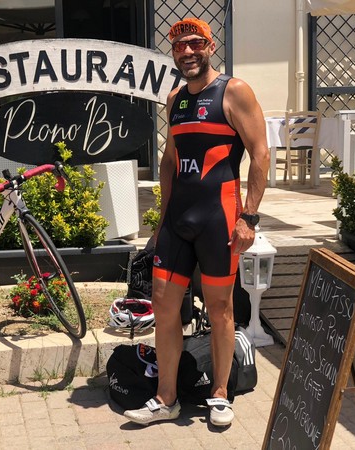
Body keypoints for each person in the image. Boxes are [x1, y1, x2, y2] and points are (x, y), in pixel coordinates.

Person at [123, 18, 269, 427]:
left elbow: (260, 153)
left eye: (194, 44)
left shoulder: (234, 91)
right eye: (179, 46)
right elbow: (170, 161)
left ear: (209, 46)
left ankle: (219, 394)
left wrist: (249, 218)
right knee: (164, 307)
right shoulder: (175, 99)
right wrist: (161, 218)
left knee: (220, 308)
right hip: (178, 221)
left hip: (220, 218)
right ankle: (165, 398)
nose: (187, 52)